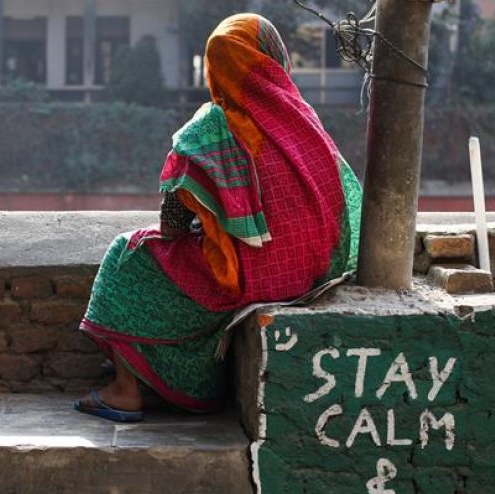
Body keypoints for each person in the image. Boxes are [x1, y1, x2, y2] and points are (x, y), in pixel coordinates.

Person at [75, 13, 361, 422]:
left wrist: (210, 222)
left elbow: (172, 222)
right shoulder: (303, 119)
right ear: (271, 58)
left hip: (253, 277)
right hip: (310, 272)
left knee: (130, 253)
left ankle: (125, 389)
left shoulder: (212, 128)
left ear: (218, 66)